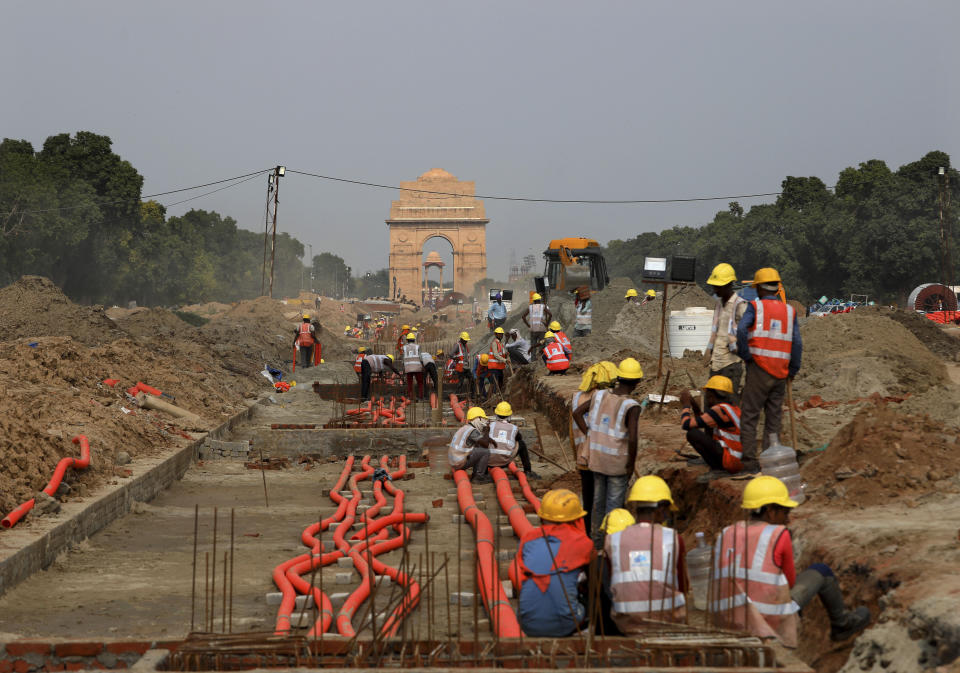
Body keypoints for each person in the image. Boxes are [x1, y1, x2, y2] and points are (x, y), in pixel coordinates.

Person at [711, 476, 870, 647]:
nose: (787, 519)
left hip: (727, 619)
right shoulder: (778, 534)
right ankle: (842, 624)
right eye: (785, 512)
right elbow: (790, 583)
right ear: (771, 511)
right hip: (768, 621)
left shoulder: (726, 533)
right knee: (821, 571)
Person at [572, 357, 643, 543]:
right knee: (614, 507)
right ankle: (611, 545)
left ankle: (596, 543)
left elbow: (577, 412)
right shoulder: (631, 406)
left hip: (597, 460)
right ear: (637, 382)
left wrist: (591, 435)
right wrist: (630, 465)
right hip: (617, 464)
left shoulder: (599, 395)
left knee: (598, 505)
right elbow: (633, 438)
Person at [736, 268, 802, 467]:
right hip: (780, 372)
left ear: (759, 289)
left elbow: (741, 330)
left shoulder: (755, 307)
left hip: (759, 369)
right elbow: (797, 343)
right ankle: (770, 460)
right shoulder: (790, 311)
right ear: (776, 288)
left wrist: (746, 355)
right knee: (773, 420)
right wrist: (793, 369)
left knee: (749, 415)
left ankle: (748, 460)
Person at [605, 476, 688, 631]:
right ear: (661, 510)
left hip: (626, 624)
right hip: (667, 622)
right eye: (667, 511)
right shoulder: (673, 538)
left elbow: (614, 585)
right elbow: (682, 586)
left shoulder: (613, 540)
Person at [516, 489, 594, 637]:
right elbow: (596, 579)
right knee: (594, 587)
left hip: (526, 622)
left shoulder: (527, 540)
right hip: (564, 624)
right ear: (576, 519)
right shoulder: (583, 543)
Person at [572, 362, 619, 535]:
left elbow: (573, 426)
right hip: (600, 456)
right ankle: (602, 535)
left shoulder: (577, 396)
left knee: (588, 500)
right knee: (603, 501)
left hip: (582, 455)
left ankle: (586, 535)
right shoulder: (603, 396)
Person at [679, 375, 743, 475]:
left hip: (732, 461)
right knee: (707, 429)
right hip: (738, 460)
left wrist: (686, 405)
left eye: (707, 394)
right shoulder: (732, 409)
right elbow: (703, 421)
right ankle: (718, 467)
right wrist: (695, 406)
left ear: (712, 395)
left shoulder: (719, 410)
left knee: (692, 434)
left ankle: (717, 469)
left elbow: (686, 424)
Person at [704, 263, 748, 399]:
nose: (715, 290)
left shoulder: (740, 305)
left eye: (718, 286)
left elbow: (750, 333)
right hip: (716, 362)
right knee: (711, 404)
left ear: (729, 285)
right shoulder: (718, 305)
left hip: (731, 364)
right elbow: (715, 331)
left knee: (728, 406)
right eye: (714, 286)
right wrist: (708, 352)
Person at [487, 401, 540, 479]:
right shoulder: (514, 428)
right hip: (505, 461)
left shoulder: (490, 426)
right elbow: (519, 438)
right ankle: (528, 471)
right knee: (521, 444)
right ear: (509, 415)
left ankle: (481, 471)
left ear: (496, 415)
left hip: (489, 462)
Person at [448, 406, 495, 483]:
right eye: (483, 419)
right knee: (485, 451)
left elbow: (480, 443)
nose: (485, 421)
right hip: (459, 462)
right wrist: (487, 431)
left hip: (455, 461)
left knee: (479, 448)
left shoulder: (466, 428)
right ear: (478, 418)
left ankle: (476, 474)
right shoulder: (472, 431)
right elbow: (485, 444)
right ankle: (478, 477)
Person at [401, 332, 425, 400]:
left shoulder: (404, 348)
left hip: (408, 368)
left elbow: (402, 359)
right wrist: (422, 366)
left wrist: (403, 368)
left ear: (407, 340)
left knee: (409, 383)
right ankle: (421, 397)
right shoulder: (417, 346)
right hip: (417, 367)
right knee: (420, 383)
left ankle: (410, 396)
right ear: (414, 340)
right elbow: (420, 357)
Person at [487, 327, 508, 391]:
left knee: (500, 381)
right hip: (494, 367)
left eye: (501, 334)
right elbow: (496, 355)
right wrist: (505, 360)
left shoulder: (500, 343)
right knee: (495, 384)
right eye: (499, 334)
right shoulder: (494, 343)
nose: (501, 335)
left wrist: (506, 355)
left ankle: (499, 394)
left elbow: (502, 353)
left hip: (499, 367)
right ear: (496, 334)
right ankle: (495, 395)